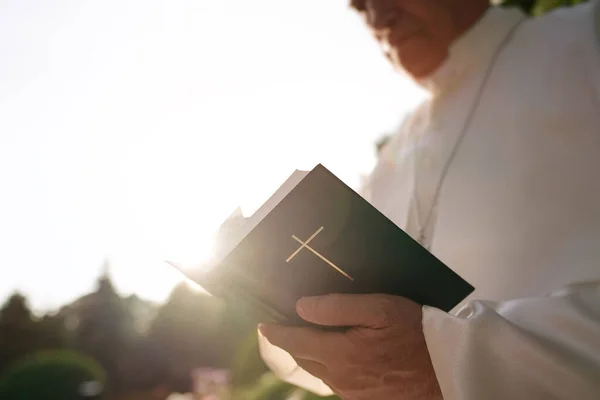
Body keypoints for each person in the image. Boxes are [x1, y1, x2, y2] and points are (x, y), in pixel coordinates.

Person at [258, 0, 600, 398]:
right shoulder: (391, 158)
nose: (379, 18)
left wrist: (447, 359)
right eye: (360, 7)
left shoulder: (586, 40)